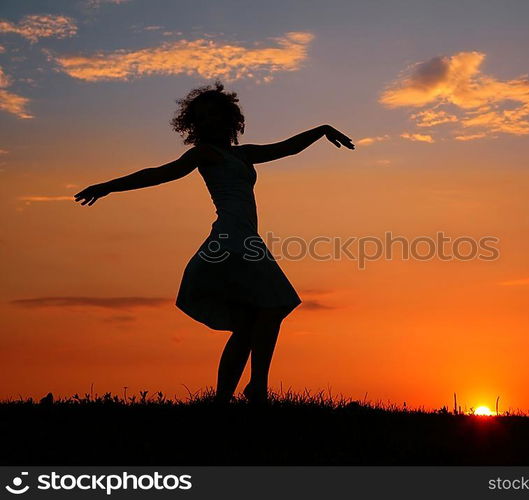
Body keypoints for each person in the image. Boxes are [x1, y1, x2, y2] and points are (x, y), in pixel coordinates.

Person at [74, 81, 354, 405]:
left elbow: (286, 148)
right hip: (231, 240)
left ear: (229, 119)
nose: (209, 123)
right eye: (202, 118)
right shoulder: (204, 154)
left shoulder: (243, 154)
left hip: (244, 241)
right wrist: (109, 186)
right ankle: (257, 388)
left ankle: (223, 399)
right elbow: (159, 173)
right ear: (195, 126)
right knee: (274, 305)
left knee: (251, 322)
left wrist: (322, 130)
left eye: (215, 116)